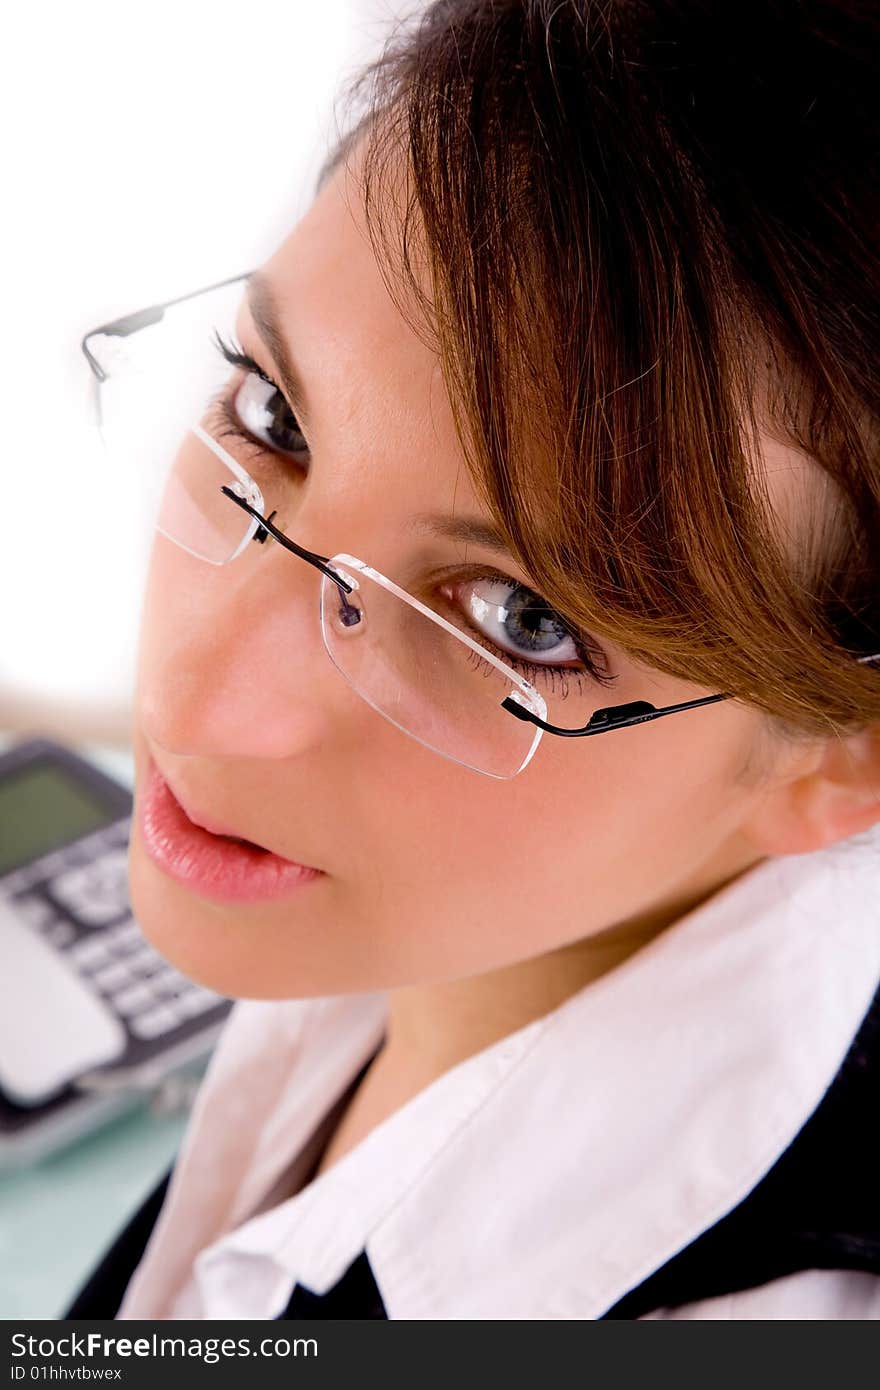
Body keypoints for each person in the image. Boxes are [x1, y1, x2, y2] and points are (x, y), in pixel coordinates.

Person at [67, 0, 880, 1320]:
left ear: (849, 750)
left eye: (518, 617)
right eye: (274, 416)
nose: (209, 709)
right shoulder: (446, 931)